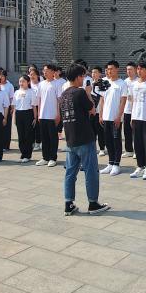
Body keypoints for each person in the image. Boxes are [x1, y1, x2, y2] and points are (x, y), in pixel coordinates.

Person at [60, 62, 111, 216]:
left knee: (70, 172)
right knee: (91, 171)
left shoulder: (64, 94)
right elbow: (92, 110)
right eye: (82, 76)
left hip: (70, 139)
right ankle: (93, 203)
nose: (84, 79)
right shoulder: (80, 92)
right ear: (77, 77)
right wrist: (88, 92)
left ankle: (68, 204)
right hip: (84, 138)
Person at [127, 60, 146, 180]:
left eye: (141, 69)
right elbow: (132, 100)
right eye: (138, 69)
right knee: (137, 143)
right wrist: (132, 116)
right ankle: (140, 166)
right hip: (136, 117)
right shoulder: (134, 84)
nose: (139, 71)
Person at [98, 61, 127, 176]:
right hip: (106, 117)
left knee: (116, 141)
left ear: (117, 69)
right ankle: (110, 163)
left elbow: (123, 101)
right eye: (108, 69)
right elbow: (102, 100)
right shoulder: (104, 82)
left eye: (111, 69)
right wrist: (100, 115)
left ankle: (116, 164)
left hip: (115, 118)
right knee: (108, 141)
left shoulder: (122, 84)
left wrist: (119, 116)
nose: (109, 71)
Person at [35, 63, 63, 167]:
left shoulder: (57, 84)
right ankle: (45, 157)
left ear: (53, 72)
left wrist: (58, 114)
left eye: (47, 70)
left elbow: (59, 100)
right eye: (44, 70)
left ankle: (52, 158)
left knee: (53, 138)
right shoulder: (41, 84)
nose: (45, 72)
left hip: (52, 115)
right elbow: (39, 100)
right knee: (44, 137)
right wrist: (39, 114)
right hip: (43, 115)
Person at [13, 76, 37, 163]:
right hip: (19, 114)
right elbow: (15, 106)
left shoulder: (31, 92)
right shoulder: (17, 92)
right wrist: (14, 117)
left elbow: (34, 106)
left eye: (23, 81)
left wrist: (35, 117)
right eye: (20, 81)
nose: (21, 83)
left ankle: (27, 155)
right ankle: (23, 154)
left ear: (28, 82)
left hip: (28, 114)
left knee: (28, 135)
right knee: (21, 135)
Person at [122, 62, 137, 158]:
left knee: (135, 132)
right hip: (126, 110)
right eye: (127, 70)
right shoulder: (125, 82)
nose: (129, 71)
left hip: (135, 111)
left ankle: (137, 150)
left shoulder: (138, 81)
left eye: (130, 69)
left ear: (135, 70)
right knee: (127, 131)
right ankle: (129, 150)